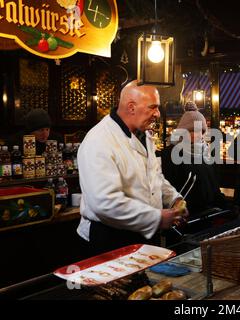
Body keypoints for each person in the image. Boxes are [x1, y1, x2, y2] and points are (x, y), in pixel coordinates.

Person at [76, 80, 187, 255]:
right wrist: (157, 218)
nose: (157, 113)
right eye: (152, 107)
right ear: (131, 107)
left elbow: (155, 176)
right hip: (111, 239)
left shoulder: (144, 136)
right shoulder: (98, 141)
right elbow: (105, 203)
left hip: (144, 236)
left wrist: (174, 199)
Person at [161, 101, 227, 218]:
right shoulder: (171, 154)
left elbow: (214, 188)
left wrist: (228, 208)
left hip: (209, 216)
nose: (198, 135)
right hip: (187, 217)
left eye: (201, 131)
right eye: (192, 131)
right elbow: (169, 187)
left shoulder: (206, 154)